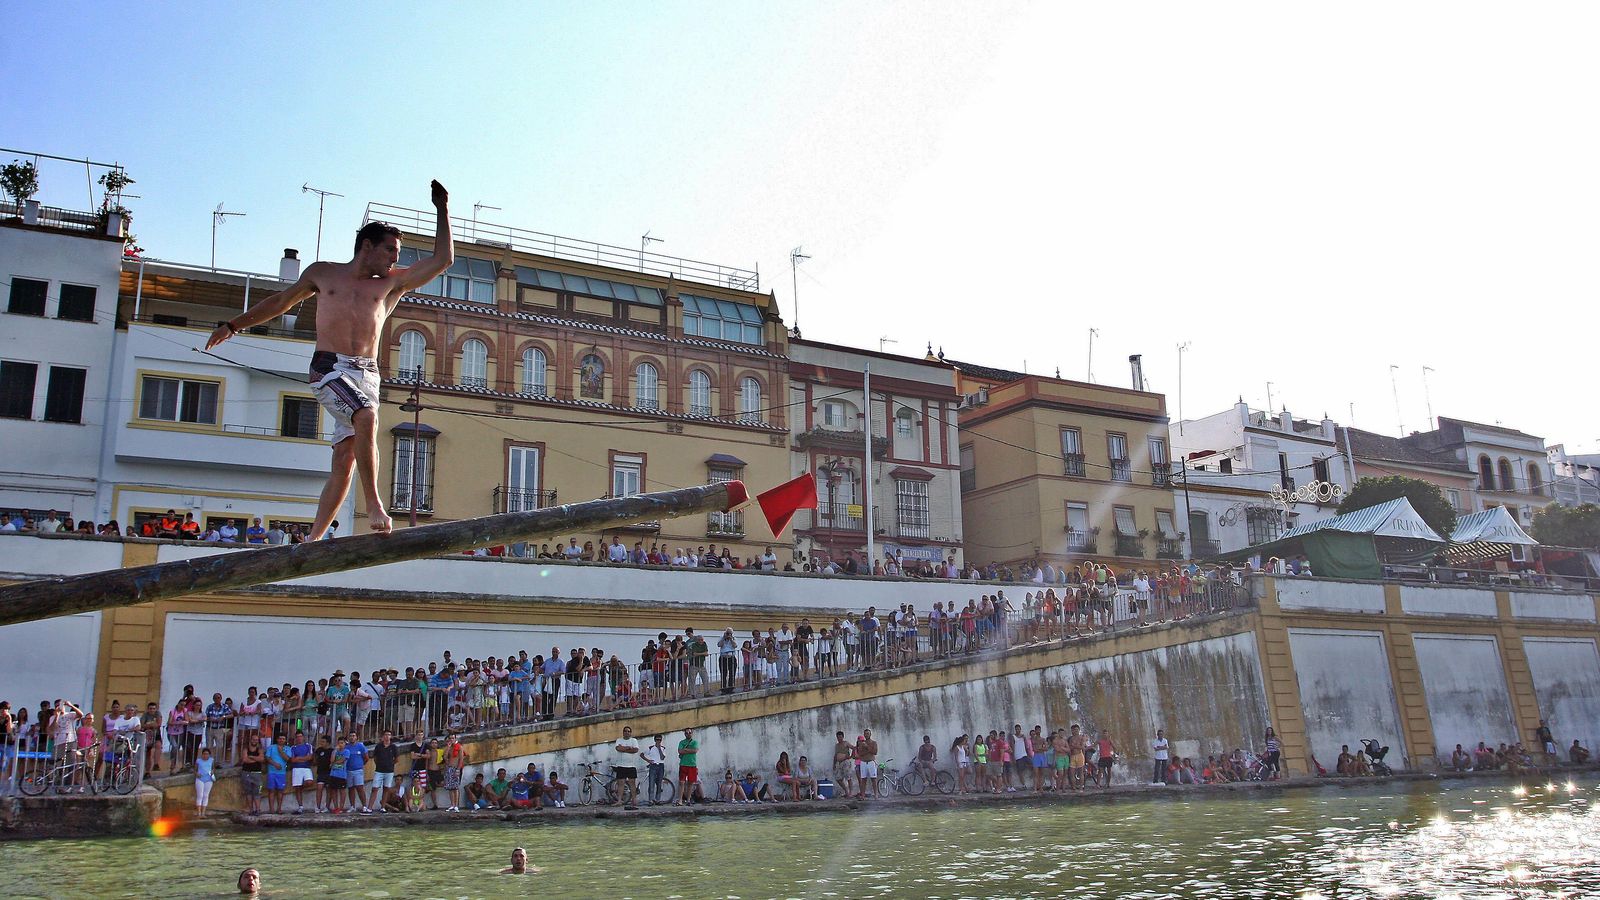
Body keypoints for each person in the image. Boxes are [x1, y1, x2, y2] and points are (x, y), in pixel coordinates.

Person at [206, 180, 453, 539]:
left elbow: (443, 260)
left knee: (345, 458)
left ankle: (314, 538)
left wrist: (442, 209)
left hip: (367, 374)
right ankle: (376, 507)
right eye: (390, 251)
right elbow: (280, 302)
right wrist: (233, 325)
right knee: (365, 417)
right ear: (366, 247)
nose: (394, 259)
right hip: (328, 366)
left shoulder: (392, 284)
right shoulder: (323, 273)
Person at [675, 728, 699, 805]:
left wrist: (685, 750)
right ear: (684, 734)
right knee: (681, 782)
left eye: (690, 733)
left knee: (690, 783)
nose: (688, 734)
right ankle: (680, 800)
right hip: (683, 764)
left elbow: (695, 750)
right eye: (686, 733)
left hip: (692, 764)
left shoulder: (695, 742)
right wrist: (689, 750)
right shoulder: (681, 742)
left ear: (692, 733)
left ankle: (688, 800)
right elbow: (680, 751)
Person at [641, 734, 667, 805]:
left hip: (661, 766)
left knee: (659, 783)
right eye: (657, 740)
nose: (658, 741)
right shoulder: (650, 748)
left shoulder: (663, 748)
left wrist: (659, 749)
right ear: (654, 740)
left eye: (660, 740)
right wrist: (648, 760)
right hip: (653, 766)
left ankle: (657, 799)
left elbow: (662, 757)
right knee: (651, 783)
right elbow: (641, 754)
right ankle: (650, 800)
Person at [856, 728, 880, 798]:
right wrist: (868, 750)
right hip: (863, 762)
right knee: (863, 779)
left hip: (871, 762)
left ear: (870, 734)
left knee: (873, 779)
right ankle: (863, 795)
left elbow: (875, 752)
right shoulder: (861, 744)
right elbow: (860, 753)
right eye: (865, 734)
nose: (866, 735)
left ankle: (876, 794)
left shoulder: (873, 743)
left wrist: (867, 747)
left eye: (868, 733)